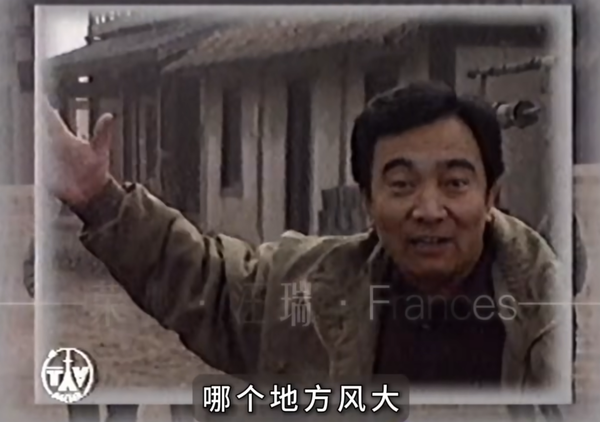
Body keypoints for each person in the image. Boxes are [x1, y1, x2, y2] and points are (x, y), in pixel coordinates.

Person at [40, 82, 570, 410]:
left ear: (492, 196)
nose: (429, 209)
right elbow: (207, 284)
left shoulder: (543, 311)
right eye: (402, 184)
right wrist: (99, 198)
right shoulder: (308, 289)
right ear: (368, 202)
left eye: (454, 183)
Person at [22, 203, 139, 422]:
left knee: (114, 407)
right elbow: (32, 271)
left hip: (112, 334)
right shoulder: (52, 232)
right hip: (82, 335)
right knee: (97, 408)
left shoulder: (121, 229)